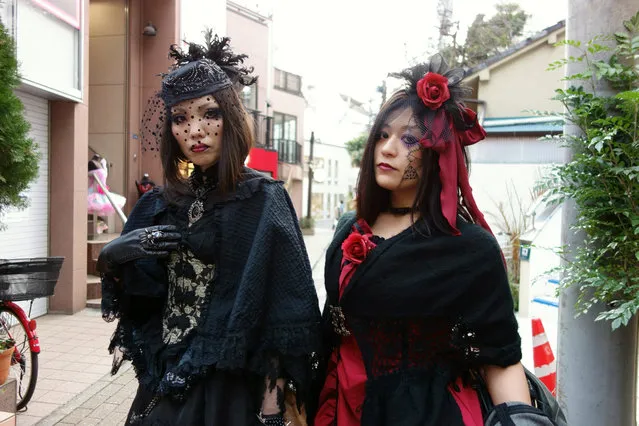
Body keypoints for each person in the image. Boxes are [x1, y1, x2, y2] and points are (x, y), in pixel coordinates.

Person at [97, 33, 321, 426]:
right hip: (163, 382)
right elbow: (142, 303)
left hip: (228, 390)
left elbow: (283, 317)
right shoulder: (156, 205)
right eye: (180, 118)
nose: (195, 130)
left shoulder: (264, 200)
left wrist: (271, 412)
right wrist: (114, 257)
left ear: (231, 117)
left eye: (209, 113)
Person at [314, 55, 541, 425]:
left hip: (426, 413)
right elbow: (328, 334)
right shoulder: (349, 228)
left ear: (437, 153)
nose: (387, 149)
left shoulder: (469, 248)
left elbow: (499, 357)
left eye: (409, 139)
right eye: (383, 135)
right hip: (342, 404)